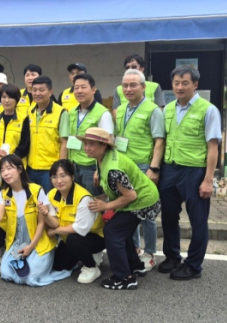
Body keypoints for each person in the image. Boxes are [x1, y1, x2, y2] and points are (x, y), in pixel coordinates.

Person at [158, 66, 221, 281]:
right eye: (176, 82)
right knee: (168, 216)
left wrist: (208, 179)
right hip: (170, 169)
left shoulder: (208, 109)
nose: (179, 87)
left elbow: (213, 146)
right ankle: (172, 256)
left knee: (198, 220)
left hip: (195, 172)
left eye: (185, 83)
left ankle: (193, 265)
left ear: (195, 85)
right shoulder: (167, 109)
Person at [80, 128, 160, 290]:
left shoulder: (112, 168)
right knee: (120, 231)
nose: (87, 147)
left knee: (113, 232)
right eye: (85, 143)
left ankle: (124, 277)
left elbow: (130, 196)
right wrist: (102, 199)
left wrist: (106, 206)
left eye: (92, 144)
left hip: (142, 201)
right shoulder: (102, 158)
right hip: (141, 198)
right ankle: (135, 265)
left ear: (104, 146)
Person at [0, 155, 70, 286]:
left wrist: (30, 247)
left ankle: (63, 270)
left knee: (29, 279)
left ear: (20, 169)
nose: (5, 173)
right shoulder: (4, 193)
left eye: (9, 168)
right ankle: (34, 264)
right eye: (2, 170)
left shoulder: (36, 190)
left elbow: (42, 223)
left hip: (38, 242)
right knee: (6, 274)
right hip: (17, 242)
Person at [114, 69, 165, 271]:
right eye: (125, 85)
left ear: (143, 87)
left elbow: (159, 141)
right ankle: (134, 248)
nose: (128, 89)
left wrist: (154, 168)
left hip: (143, 167)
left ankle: (150, 253)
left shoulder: (153, 110)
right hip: (124, 166)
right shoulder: (122, 110)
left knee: (147, 213)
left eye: (133, 85)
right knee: (128, 210)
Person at [42, 160, 105, 284]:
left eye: (63, 176)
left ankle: (92, 267)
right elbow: (52, 220)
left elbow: (80, 229)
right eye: (54, 177)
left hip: (96, 236)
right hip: (68, 236)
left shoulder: (83, 197)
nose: (59, 181)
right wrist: (45, 215)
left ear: (72, 176)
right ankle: (84, 254)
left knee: (74, 241)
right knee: (58, 266)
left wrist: (55, 231)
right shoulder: (51, 195)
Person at [67, 73, 114, 195]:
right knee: (78, 202)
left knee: (94, 204)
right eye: (76, 88)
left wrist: (100, 169)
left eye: (83, 87)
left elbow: (108, 144)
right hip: (74, 165)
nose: (79, 91)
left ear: (93, 90)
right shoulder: (72, 112)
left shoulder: (102, 113)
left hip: (91, 168)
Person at [27, 76, 68, 193]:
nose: (37, 93)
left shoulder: (61, 112)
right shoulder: (30, 111)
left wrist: (61, 169)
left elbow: (64, 143)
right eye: (34, 90)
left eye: (41, 90)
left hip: (50, 169)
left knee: (50, 203)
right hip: (31, 167)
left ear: (50, 92)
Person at [0, 84, 29, 181]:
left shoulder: (23, 118)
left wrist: (11, 158)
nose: (6, 100)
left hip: (15, 166)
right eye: (4, 97)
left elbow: (25, 144)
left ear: (17, 99)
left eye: (10, 97)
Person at [112, 54, 165, 118]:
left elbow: (160, 110)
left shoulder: (155, 87)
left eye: (134, 67)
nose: (130, 70)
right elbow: (116, 112)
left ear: (142, 69)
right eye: (127, 67)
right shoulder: (118, 90)